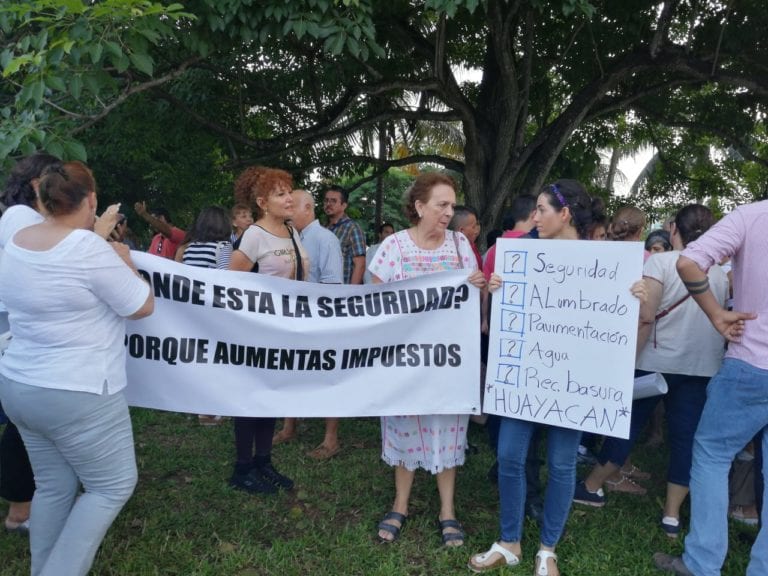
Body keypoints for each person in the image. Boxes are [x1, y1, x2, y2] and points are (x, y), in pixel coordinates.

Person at [469, 180, 645, 576]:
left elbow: (616, 316)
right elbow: (506, 314)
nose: (535, 217)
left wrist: (634, 292)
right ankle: (509, 540)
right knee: (510, 456)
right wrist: (497, 289)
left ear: (565, 214)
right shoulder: (520, 252)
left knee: (563, 465)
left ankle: (548, 549)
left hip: (573, 384)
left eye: (542, 210)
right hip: (524, 380)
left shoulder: (605, 262)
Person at [0, 161, 153, 576]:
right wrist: (125, 261)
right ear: (91, 200)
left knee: (54, 485)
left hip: (19, 384)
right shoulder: (88, 249)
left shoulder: (17, 240)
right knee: (111, 485)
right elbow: (141, 305)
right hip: (78, 390)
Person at [575, 205, 727, 540]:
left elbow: (645, 315)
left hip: (654, 362)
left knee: (625, 425)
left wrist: (628, 358)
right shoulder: (718, 271)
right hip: (702, 367)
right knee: (686, 439)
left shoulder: (660, 262)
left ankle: (591, 486)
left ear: (675, 231)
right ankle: (671, 516)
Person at [369, 172, 486, 548]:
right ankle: (400, 503)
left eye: (452, 205)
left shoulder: (459, 247)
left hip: (448, 364)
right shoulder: (394, 247)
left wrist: (482, 289)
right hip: (404, 363)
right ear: (419, 207)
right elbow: (374, 300)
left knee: (448, 431)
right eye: (441, 205)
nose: (449, 213)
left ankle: (447, 510)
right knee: (404, 426)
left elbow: (471, 303)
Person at [653, 199, 768, 576]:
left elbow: (688, 261)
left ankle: (702, 563)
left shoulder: (752, 216)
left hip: (751, 362)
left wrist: (717, 314)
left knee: (712, 454)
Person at [227, 166, 309, 495]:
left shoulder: (291, 231)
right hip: (258, 331)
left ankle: (264, 461)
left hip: (286, 330)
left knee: (273, 398)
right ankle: (242, 467)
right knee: (251, 399)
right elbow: (232, 282)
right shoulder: (255, 235)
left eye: (289, 191)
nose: (289, 198)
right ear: (263, 202)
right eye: (280, 194)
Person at [0, 153, 60, 535]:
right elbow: (52, 261)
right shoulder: (22, 218)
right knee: (25, 426)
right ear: (39, 183)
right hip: (17, 333)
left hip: (22, 331)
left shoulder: (24, 216)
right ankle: (20, 509)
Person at [273, 190, 343, 459]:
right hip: (293, 318)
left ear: (308, 209)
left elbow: (333, 286)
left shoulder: (325, 239)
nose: (288, 210)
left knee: (327, 378)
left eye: (293, 206)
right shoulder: (291, 238)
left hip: (319, 320)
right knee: (290, 370)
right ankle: (289, 426)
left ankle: (331, 439)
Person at [322, 186, 366, 285]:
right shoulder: (323, 228)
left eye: (333, 201)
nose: (328, 204)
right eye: (326, 200)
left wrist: (350, 293)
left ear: (344, 205)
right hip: (322, 290)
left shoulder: (353, 228)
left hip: (342, 292)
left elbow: (360, 264)